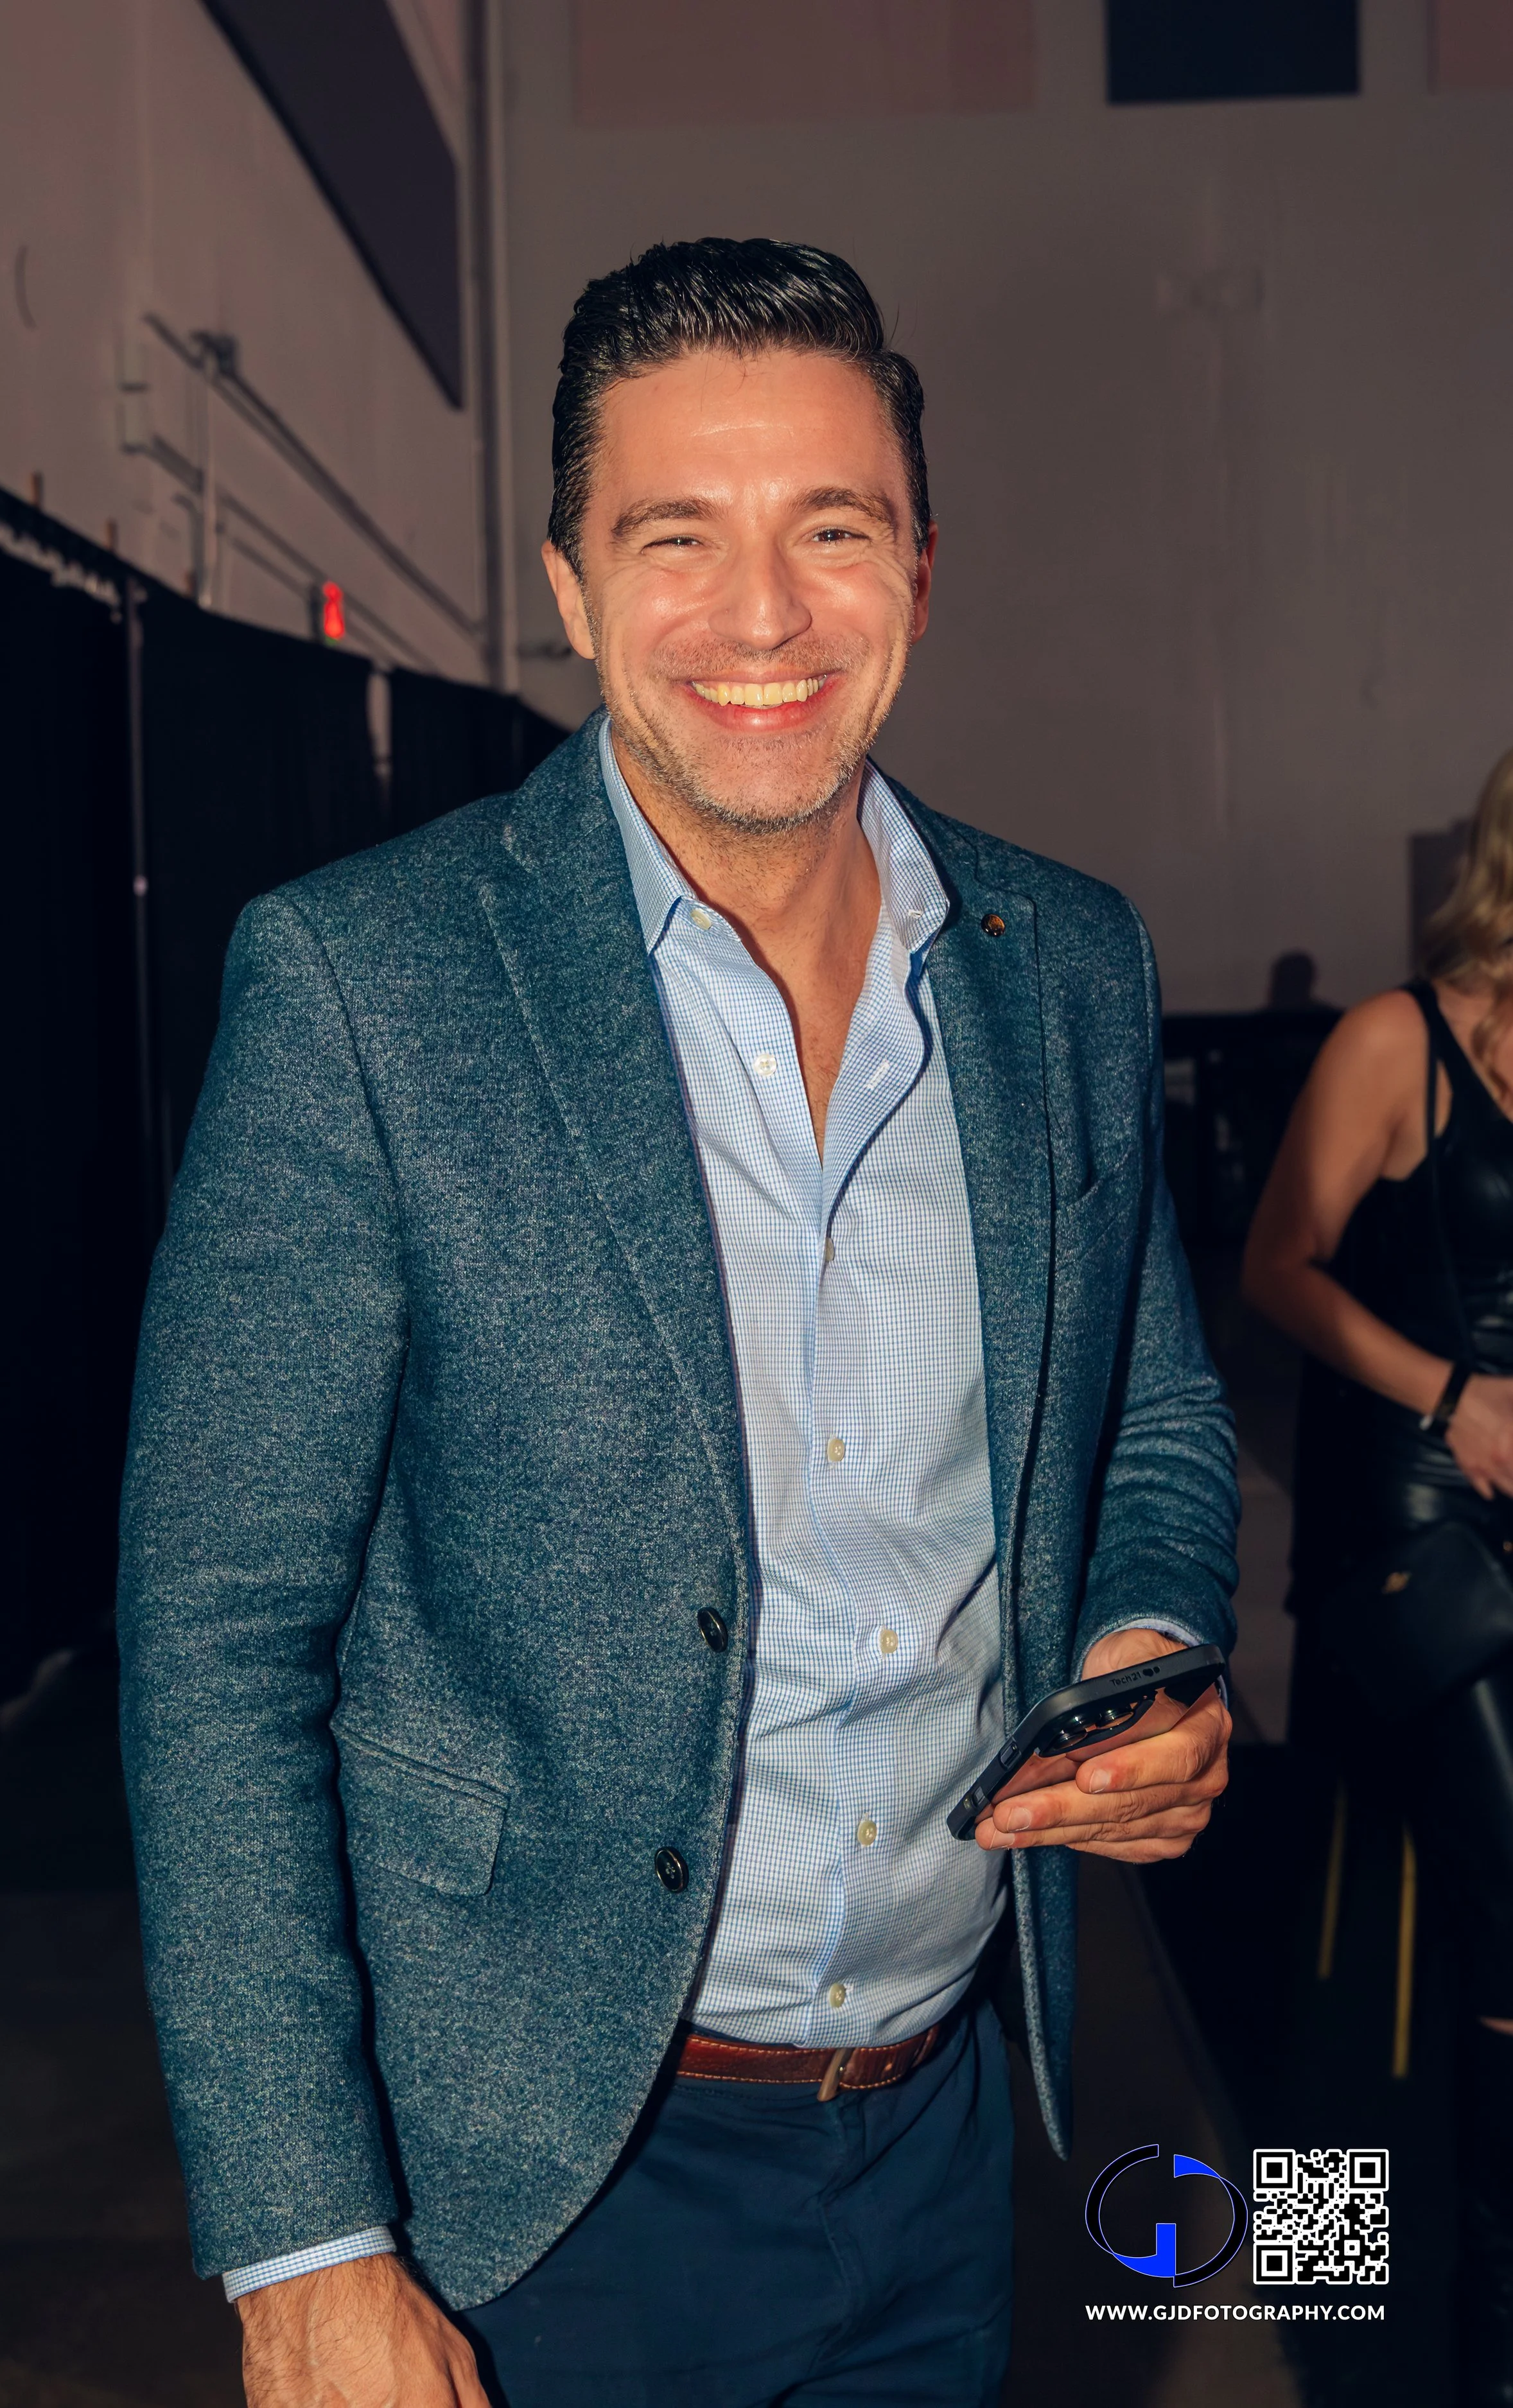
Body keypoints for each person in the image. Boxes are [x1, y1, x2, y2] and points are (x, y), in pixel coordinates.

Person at [118, 238, 1237, 2408]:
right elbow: (220, 1634)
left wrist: (1139, 1647)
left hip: (939, 2131)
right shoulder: (368, 986)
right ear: (566, 581)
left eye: (830, 527)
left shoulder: (1062, 961)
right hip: (531, 2181)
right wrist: (301, 2243)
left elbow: (1158, 1415)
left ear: (920, 558)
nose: (762, 617)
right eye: (676, 538)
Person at [1243, 746, 1513, 2408]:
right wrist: (1446, 1391)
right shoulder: (1397, 1038)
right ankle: (1456, 2351)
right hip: (1408, 1540)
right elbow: (1273, 1265)